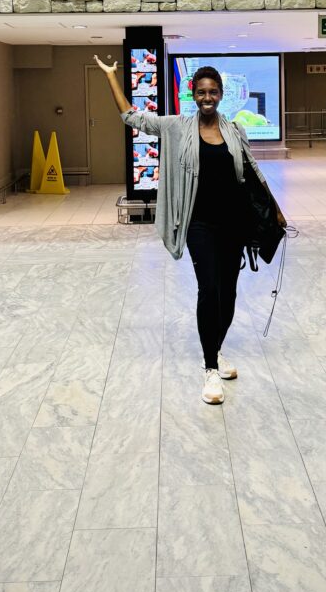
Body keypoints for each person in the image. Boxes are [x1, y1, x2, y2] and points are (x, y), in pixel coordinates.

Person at [94, 55, 279, 406]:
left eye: (213, 92)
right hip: (198, 224)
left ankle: (216, 350)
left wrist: (276, 209)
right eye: (201, 92)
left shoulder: (234, 130)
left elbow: (252, 170)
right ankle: (210, 368)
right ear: (192, 95)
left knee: (228, 295)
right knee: (209, 289)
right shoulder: (177, 127)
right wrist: (111, 77)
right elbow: (132, 117)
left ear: (221, 94)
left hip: (233, 223)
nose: (207, 98)